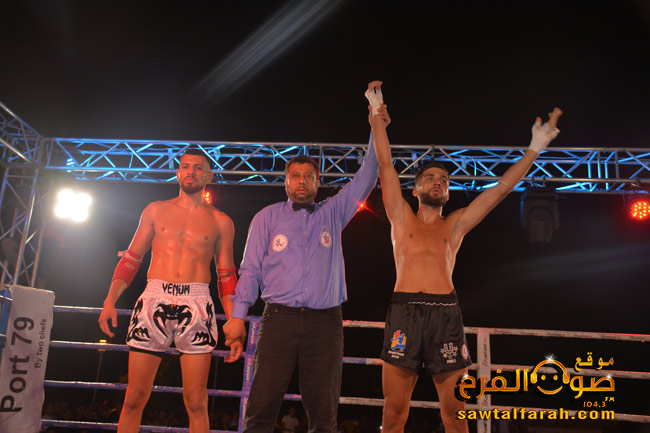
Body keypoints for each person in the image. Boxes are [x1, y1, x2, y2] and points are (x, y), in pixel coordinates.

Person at [367, 80, 562, 433]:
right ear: (416, 189)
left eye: (443, 179)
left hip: (445, 315)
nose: (437, 182)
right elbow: (385, 164)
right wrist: (375, 115)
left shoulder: (456, 223)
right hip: (404, 313)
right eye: (430, 177)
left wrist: (535, 148)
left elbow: (501, 190)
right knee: (393, 415)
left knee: (456, 417)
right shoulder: (401, 216)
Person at [222, 83, 390, 432]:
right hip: (278, 319)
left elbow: (368, 174)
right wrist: (238, 316)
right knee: (261, 406)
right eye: (295, 176)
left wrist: (376, 120)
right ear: (286, 182)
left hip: (325, 323)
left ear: (317, 181)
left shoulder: (334, 211)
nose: (301, 182)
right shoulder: (266, 217)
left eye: (308, 177)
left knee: (324, 413)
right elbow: (250, 270)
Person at [98, 149, 243, 433]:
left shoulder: (221, 221)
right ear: (177, 173)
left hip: (197, 300)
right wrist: (110, 300)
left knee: (197, 402)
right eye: (185, 166)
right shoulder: (155, 210)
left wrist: (234, 321)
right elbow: (132, 258)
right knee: (134, 398)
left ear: (208, 175)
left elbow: (226, 275)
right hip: (155, 296)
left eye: (198, 168)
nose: (191, 172)